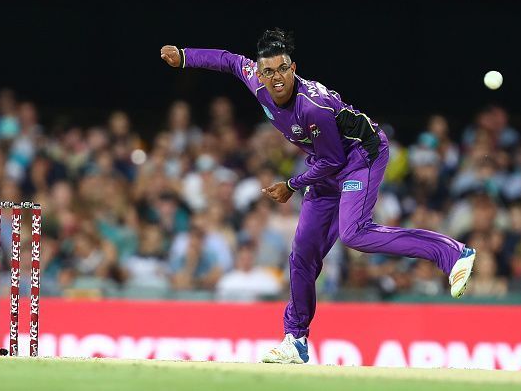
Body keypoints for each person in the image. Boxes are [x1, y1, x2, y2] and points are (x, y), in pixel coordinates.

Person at [160, 28, 476, 364]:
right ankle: (295, 340)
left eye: (282, 69)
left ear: (293, 68)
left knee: (354, 232)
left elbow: (334, 160)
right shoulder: (256, 79)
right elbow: (228, 60)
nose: (276, 77)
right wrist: (184, 56)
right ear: (261, 73)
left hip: (360, 157)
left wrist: (292, 185)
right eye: (268, 72)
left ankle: (452, 253)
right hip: (326, 163)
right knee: (303, 253)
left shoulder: (312, 107)